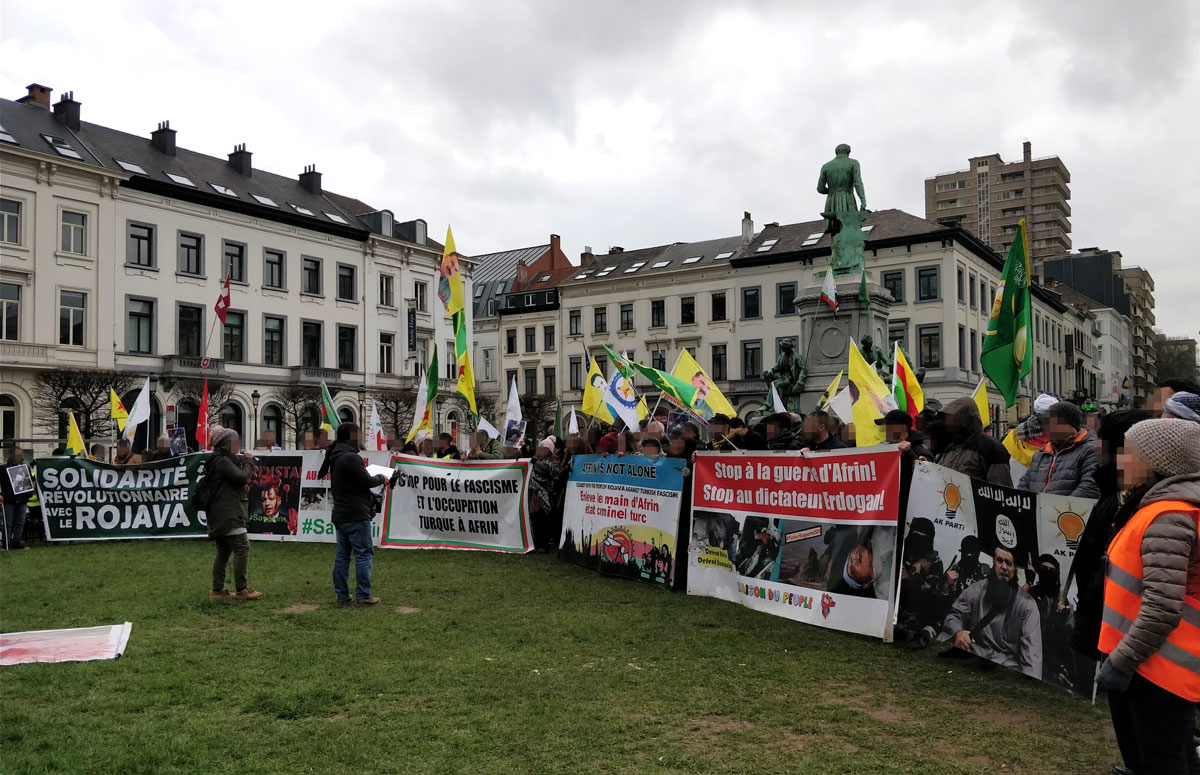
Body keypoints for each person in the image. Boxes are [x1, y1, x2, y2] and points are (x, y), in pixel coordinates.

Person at [1097, 418, 1200, 775]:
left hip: (1158, 666)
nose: (1120, 460)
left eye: (1128, 452)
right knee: (1170, 752)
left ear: (1156, 462)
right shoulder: (1159, 507)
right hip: (1152, 660)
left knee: (1161, 760)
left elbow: (1162, 608)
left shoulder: (1168, 516)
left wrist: (1121, 661)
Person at [1066, 410, 1151, 664]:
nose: (1095, 446)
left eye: (1101, 439)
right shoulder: (1110, 489)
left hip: (1103, 615)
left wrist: (1089, 599)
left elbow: (1109, 559)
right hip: (1093, 610)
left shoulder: (1127, 498)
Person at [940, 546, 1042, 678]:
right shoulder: (977, 589)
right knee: (943, 637)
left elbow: (1032, 656)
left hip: (1005, 665)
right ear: (994, 562)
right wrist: (958, 632)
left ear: (1015, 569)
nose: (1004, 567)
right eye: (1000, 561)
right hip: (975, 652)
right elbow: (954, 616)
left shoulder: (1028, 605)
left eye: (1009, 563)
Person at [325, 423, 390, 605]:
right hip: (356, 513)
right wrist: (381, 479)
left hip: (341, 513)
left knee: (342, 556)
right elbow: (367, 481)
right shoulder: (351, 458)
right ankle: (363, 594)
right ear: (352, 436)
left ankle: (342, 595)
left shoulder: (336, 456)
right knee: (363, 554)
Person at [204, 427, 261, 600]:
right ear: (225, 444)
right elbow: (240, 477)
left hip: (221, 512)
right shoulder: (222, 461)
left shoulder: (221, 460)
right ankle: (242, 589)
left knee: (223, 551)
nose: (237, 445)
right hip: (228, 513)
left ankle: (217, 589)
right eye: (234, 442)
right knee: (242, 547)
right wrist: (249, 463)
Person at [1017, 401, 1100, 497]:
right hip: (1039, 511)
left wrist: (1058, 509)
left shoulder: (1091, 450)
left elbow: (1089, 487)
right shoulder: (1041, 454)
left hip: (1067, 511)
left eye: (1051, 422)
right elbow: (1024, 483)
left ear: (1068, 424)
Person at [935, 397, 1011, 485]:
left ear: (965, 419)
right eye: (947, 419)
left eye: (952, 419)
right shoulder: (950, 446)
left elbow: (1001, 490)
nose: (948, 423)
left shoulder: (991, 447)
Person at [529, 437, 562, 552]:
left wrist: (535, 462)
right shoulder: (535, 460)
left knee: (543, 519)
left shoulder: (554, 461)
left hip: (545, 494)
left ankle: (544, 545)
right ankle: (536, 543)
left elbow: (548, 471)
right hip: (534, 493)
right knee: (535, 518)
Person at [2, 446, 32, 550]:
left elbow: (30, 482)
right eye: (17, 455)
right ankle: (6, 543)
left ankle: (16, 542)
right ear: (11, 455)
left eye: (20, 455)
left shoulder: (25, 468)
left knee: (20, 521)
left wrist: (29, 492)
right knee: (8, 522)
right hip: (9, 499)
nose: (19, 457)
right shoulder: (4, 469)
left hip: (22, 499)